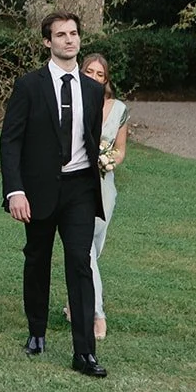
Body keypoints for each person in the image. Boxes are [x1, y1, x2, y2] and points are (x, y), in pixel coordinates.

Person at [0, 11, 107, 377]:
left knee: (80, 262)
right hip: (38, 190)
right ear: (48, 41)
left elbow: (91, 138)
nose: (69, 39)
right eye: (61, 34)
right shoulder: (29, 86)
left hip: (79, 189)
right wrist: (15, 191)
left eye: (73, 33)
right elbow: (10, 141)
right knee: (37, 260)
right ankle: (37, 332)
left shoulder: (92, 90)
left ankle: (85, 353)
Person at [82, 52, 129, 342]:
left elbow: (121, 149)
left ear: (106, 80)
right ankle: (97, 313)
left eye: (100, 74)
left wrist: (110, 160)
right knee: (84, 247)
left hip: (104, 184)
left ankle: (76, 299)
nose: (95, 78)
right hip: (78, 184)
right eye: (90, 72)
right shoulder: (74, 102)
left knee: (94, 248)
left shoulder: (119, 109)